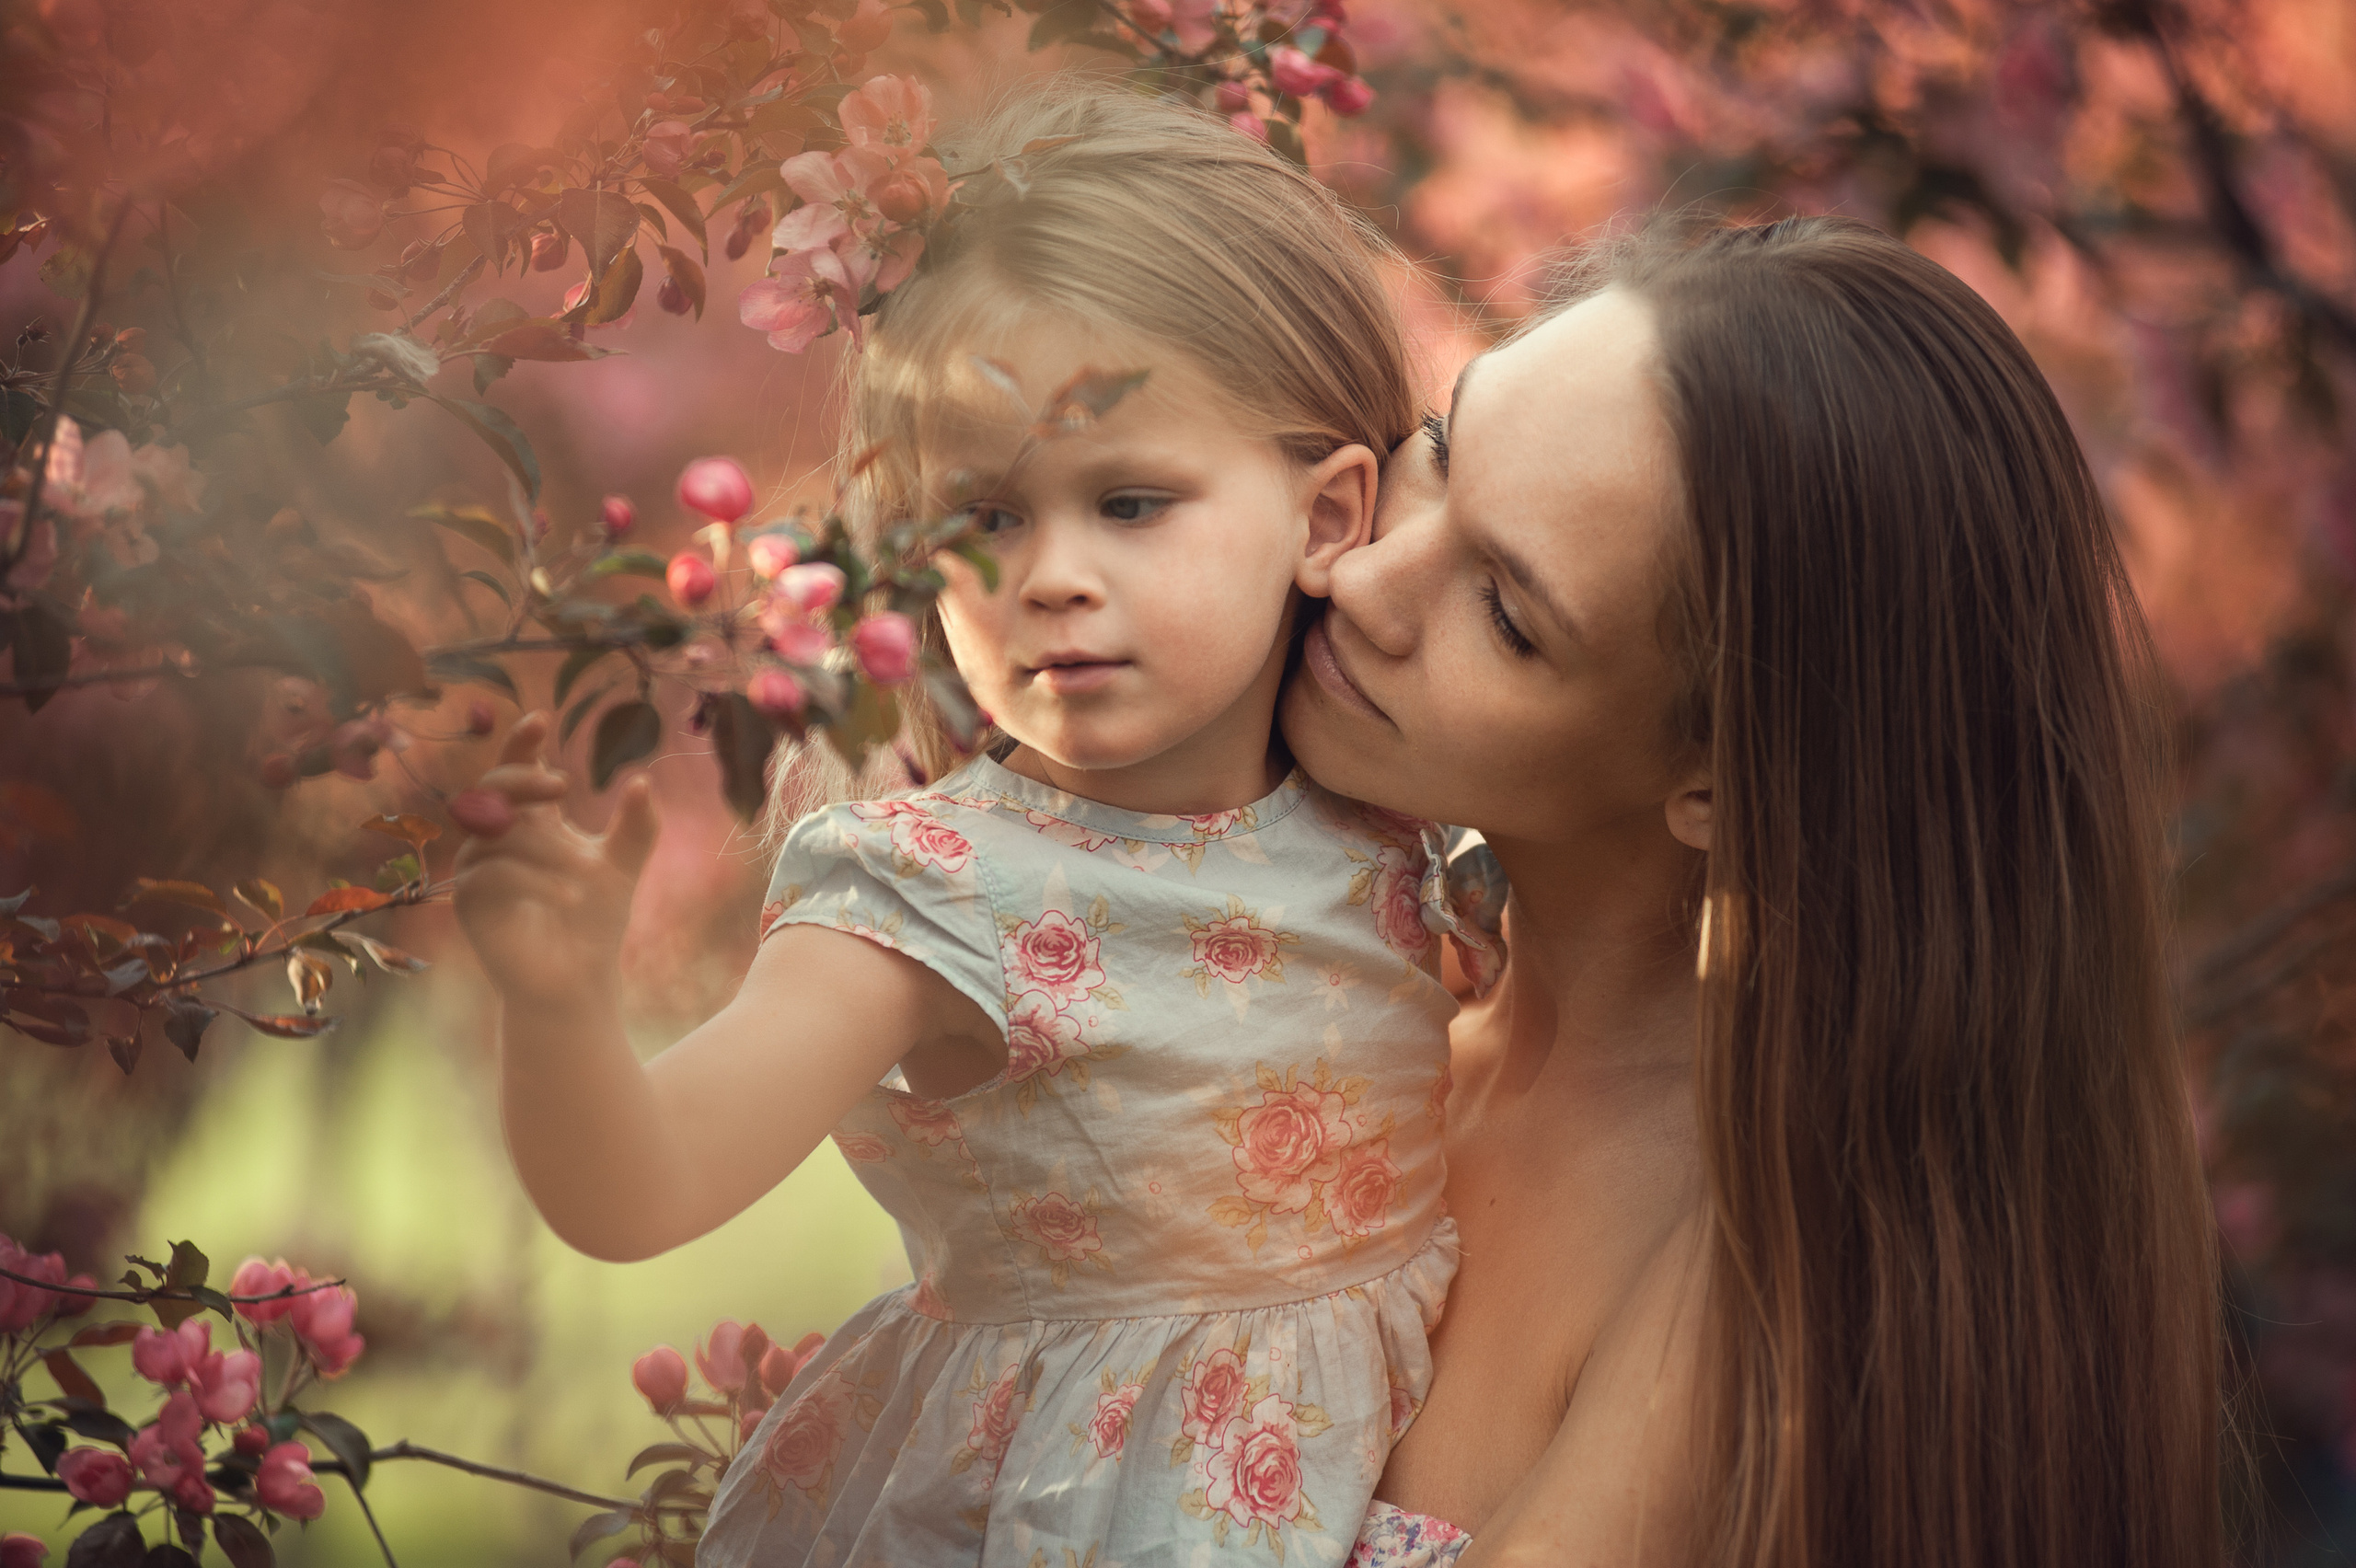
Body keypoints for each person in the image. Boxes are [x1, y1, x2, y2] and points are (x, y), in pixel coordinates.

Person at [451, 86, 1484, 1568]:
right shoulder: (933, 896)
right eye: (985, 517)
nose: (1051, 576)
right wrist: (555, 1012)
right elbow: (641, 1188)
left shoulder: (1396, 817)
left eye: (1131, 503)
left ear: (1327, 516)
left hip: (1393, 1474)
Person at [1289, 215, 2228, 1567]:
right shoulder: (1343, 979)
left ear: (1721, 786)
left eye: (1508, 616)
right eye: (1440, 444)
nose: (1360, 574)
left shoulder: (1756, 1267)